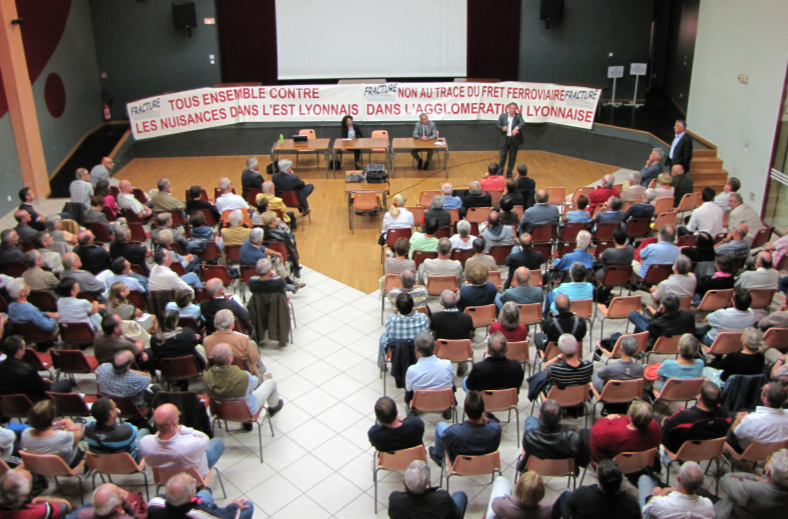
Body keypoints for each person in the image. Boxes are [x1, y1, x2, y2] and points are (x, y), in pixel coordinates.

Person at [140, 403, 225, 478]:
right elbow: (205, 438)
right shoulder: (190, 443)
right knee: (217, 442)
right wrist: (183, 429)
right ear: (174, 423)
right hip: (195, 479)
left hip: (165, 480)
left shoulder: (145, 442)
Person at [204, 343, 283, 417]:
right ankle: (273, 408)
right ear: (229, 358)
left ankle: (246, 422)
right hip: (247, 410)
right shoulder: (243, 375)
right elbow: (255, 383)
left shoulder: (207, 376)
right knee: (271, 382)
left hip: (222, 411)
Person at [428, 390, 502, 467]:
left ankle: (437, 455)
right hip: (486, 464)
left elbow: (445, 443)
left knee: (441, 425)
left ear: (464, 409)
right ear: (484, 408)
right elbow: (492, 422)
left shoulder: (453, 432)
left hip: (460, 466)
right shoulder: (496, 428)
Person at [714, 447, 788, 519]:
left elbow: (725, 479)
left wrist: (755, 477)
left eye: (768, 460)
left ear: (768, 471)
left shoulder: (753, 489)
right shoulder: (782, 485)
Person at [553, 459, 640, 519]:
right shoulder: (631, 502)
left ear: (599, 479)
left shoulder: (583, 494)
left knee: (565, 495)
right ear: (620, 481)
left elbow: (569, 504)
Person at [661, 380, 731, 455]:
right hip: (708, 452)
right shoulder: (724, 415)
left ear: (700, 397)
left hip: (681, 452)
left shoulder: (684, 416)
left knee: (659, 422)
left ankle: (665, 455)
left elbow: (665, 425)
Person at [519, 399, 588, 473]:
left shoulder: (529, 437)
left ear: (539, 416)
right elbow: (582, 463)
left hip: (535, 467)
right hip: (563, 470)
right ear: (561, 418)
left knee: (531, 419)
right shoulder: (573, 438)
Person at [148, 472, 253, 519]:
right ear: (190, 496)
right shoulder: (200, 514)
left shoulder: (154, 502)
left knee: (204, 493)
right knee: (248, 506)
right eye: (193, 482)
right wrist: (234, 506)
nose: (194, 481)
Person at [0, 335, 73, 400]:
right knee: (67, 383)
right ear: (19, 352)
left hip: (11, 403)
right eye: (24, 347)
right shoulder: (28, 370)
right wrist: (45, 382)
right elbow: (43, 389)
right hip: (33, 400)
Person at [388, 460, 467, 519]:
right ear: (429, 482)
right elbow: (456, 516)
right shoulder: (442, 498)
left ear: (405, 480)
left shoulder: (395, 500)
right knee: (460, 495)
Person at [589, 399, 660, 461]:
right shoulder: (655, 427)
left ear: (631, 416)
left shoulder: (612, 432)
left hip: (615, 463)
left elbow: (595, 433)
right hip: (641, 462)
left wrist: (606, 419)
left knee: (585, 434)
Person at [727, 382, 788, 453]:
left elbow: (734, 435)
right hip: (774, 452)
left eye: (762, 390)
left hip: (748, 452)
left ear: (766, 399)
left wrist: (738, 419)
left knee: (729, 423)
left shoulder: (752, 420)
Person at [21, 400, 84, 468]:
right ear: (52, 418)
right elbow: (79, 434)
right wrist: (69, 422)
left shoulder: (25, 433)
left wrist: (54, 427)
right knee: (80, 422)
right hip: (64, 466)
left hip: (38, 467)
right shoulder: (64, 436)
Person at [639, 462, 713, 519]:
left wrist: (662, 492)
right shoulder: (708, 506)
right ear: (701, 483)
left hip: (655, 506)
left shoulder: (661, 503)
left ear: (678, 478)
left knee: (644, 479)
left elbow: (646, 507)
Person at [84, 397, 149, 462]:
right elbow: (135, 430)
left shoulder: (88, 429)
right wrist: (117, 416)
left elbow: (93, 423)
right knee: (145, 430)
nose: (117, 409)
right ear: (111, 413)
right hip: (127, 465)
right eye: (115, 407)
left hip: (101, 465)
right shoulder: (127, 431)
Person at [203, 310, 265, 379]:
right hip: (242, 377)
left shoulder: (206, 341)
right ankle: (261, 376)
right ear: (230, 325)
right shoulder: (243, 339)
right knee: (252, 345)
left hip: (218, 376)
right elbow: (254, 359)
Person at [629, 293, 696, 350]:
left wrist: (658, 313)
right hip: (679, 342)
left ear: (663, 308)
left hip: (657, 341)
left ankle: (634, 346)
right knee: (634, 316)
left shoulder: (657, 324)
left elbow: (651, 327)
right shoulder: (688, 315)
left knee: (634, 317)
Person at [379, 293, 430, 366]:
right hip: (418, 353)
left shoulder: (391, 320)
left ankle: (381, 363)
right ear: (412, 306)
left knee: (383, 337)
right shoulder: (423, 318)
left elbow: (388, 338)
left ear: (397, 308)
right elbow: (427, 332)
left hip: (397, 354)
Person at [0, 468, 72, 519]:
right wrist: (41, 499)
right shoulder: (37, 511)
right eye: (30, 484)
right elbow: (66, 506)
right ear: (24, 495)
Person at [404, 332, 454, 403]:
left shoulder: (411, 371)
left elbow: (409, 390)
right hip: (444, 404)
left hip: (421, 406)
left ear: (416, 349)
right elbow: (451, 382)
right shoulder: (447, 365)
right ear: (435, 346)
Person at [487, 471, 552, 519]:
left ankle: (500, 478)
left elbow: (495, 503)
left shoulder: (501, 505)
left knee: (501, 480)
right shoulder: (549, 509)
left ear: (516, 488)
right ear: (542, 493)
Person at [497, 103, 525, 177]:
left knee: (512, 157)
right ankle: (500, 172)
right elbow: (498, 125)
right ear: (508, 108)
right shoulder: (503, 116)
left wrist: (517, 127)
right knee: (502, 157)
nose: (513, 110)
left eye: (514, 109)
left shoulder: (518, 116)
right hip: (505, 139)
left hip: (513, 140)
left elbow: (522, 122)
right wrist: (502, 128)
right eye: (511, 108)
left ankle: (509, 173)